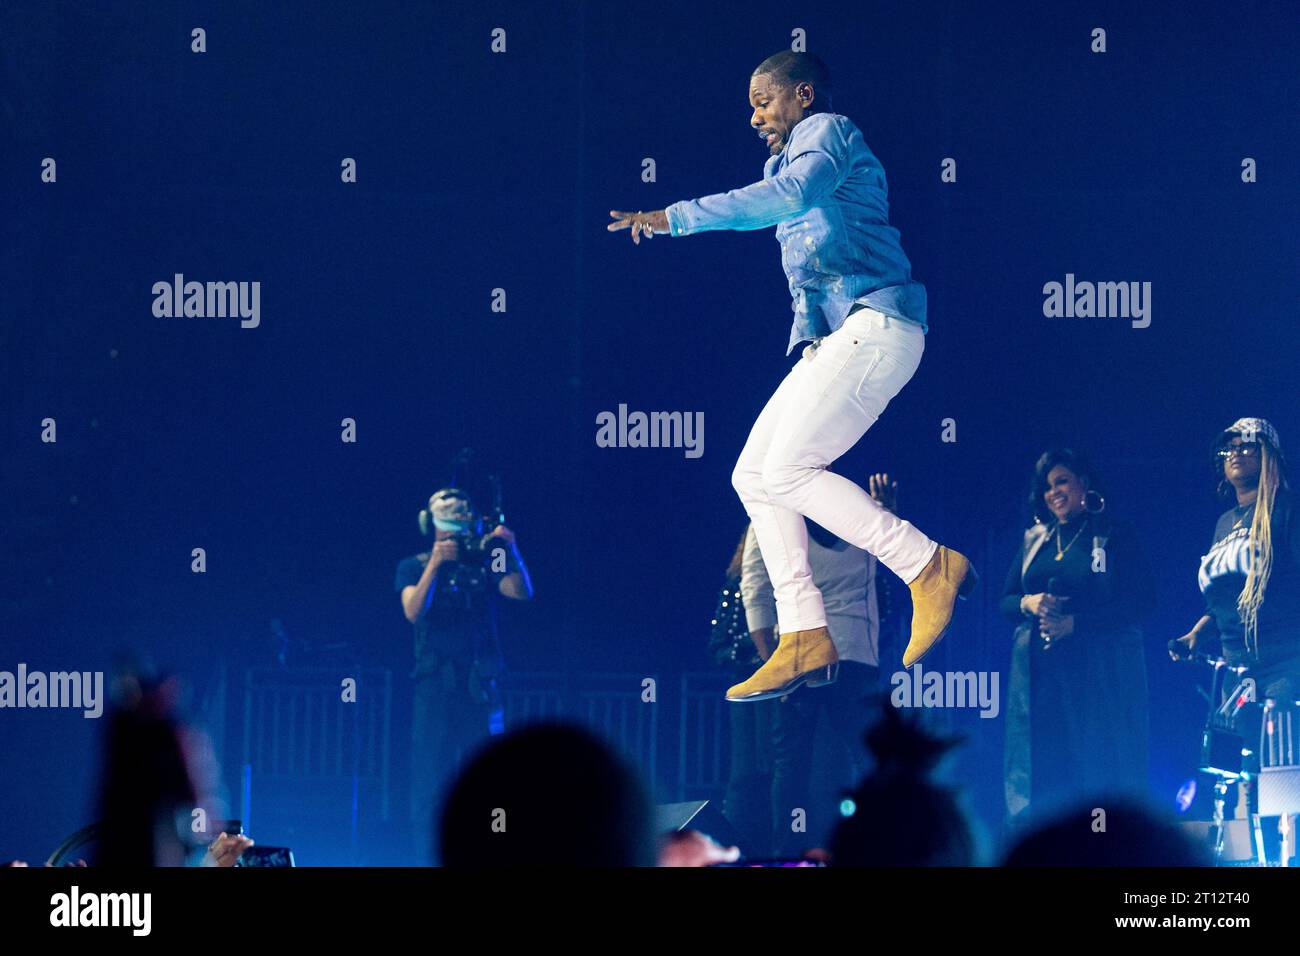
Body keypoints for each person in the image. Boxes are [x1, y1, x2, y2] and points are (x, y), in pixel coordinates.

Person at [607, 50, 974, 701]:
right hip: (839, 339)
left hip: (877, 324)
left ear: (803, 94)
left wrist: (678, 216)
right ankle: (803, 632)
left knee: (785, 471)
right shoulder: (787, 160)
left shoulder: (828, 136)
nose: (754, 116)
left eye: (763, 100)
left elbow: (788, 198)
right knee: (753, 474)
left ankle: (926, 564)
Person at [741, 472, 896, 856]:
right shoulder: (852, 505)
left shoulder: (777, 514)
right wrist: (887, 514)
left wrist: (774, 664)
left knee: (794, 763)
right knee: (862, 756)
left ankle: (789, 854)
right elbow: (755, 589)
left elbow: (754, 592)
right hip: (844, 654)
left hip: (814, 657)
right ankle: (882, 848)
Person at [999, 449, 1148, 823]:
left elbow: (1142, 602)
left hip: (1098, 673)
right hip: (1042, 675)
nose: (1054, 492)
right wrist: (1028, 602)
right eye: (1047, 487)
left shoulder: (1112, 533)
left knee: (1096, 765)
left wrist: (1076, 624)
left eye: (1062, 481)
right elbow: (1004, 602)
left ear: (1085, 483)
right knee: (1048, 765)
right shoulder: (1036, 539)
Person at [395, 486, 533, 857]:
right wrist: (437, 564)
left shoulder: (485, 564)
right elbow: (413, 610)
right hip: (434, 686)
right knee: (429, 785)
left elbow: (520, 592)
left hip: (479, 687)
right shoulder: (414, 565)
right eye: (449, 530)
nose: (456, 537)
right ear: (434, 528)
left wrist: (508, 549)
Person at [1172, 418, 1300, 704]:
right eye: (1230, 449)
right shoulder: (1224, 523)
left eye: (1247, 447)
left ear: (1269, 454)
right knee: (1236, 747)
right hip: (1236, 667)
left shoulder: (1289, 510)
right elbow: (1224, 598)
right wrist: (1195, 634)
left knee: (1279, 746)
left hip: (1285, 664)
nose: (1236, 454)